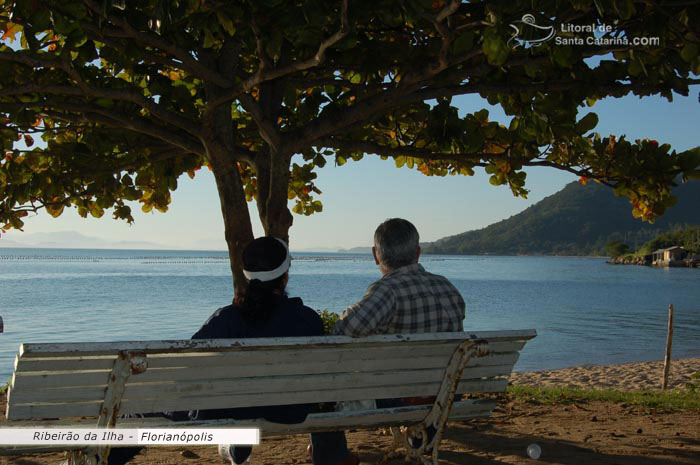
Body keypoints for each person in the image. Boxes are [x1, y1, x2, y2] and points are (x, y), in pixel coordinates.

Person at [96, 237, 335, 465]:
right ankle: (235, 446)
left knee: (139, 411)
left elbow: (187, 364)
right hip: (289, 410)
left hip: (224, 409)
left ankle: (99, 460)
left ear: (248, 276)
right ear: (284, 278)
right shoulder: (308, 320)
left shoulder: (228, 319)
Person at [310, 218, 466, 460]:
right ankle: (421, 441)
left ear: (375, 255)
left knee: (323, 394)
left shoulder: (388, 290)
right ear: (418, 252)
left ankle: (332, 455)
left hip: (397, 396)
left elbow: (343, 331)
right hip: (446, 393)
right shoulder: (447, 288)